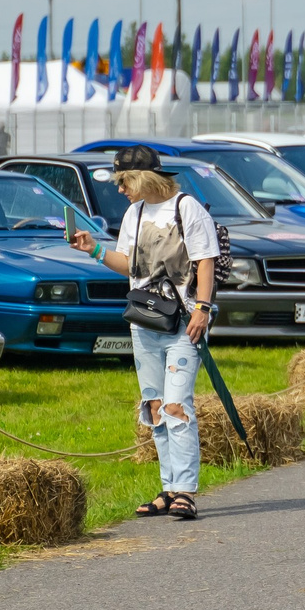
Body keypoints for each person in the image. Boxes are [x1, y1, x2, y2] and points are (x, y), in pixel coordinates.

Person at [68, 146, 218, 522]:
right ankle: (168, 489)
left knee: (177, 405)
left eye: (124, 181)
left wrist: (202, 307)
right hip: (144, 322)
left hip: (183, 322)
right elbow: (131, 267)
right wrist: (94, 251)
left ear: (145, 178)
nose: (120, 190)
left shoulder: (187, 208)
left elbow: (205, 263)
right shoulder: (134, 214)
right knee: (153, 406)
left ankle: (186, 491)